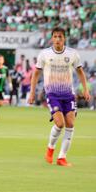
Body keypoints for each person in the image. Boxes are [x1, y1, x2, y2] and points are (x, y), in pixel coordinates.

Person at [28, 27, 90, 167]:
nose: (57, 39)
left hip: (68, 94)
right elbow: (36, 74)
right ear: (51, 38)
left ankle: (62, 157)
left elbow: (80, 71)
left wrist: (85, 89)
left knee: (71, 124)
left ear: (64, 38)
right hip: (52, 93)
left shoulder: (73, 54)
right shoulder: (44, 54)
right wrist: (32, 92)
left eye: (60, 37)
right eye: (55, 36)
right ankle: (50, 149)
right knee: (60, 123)